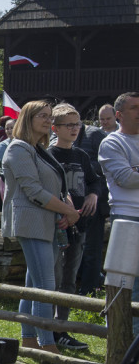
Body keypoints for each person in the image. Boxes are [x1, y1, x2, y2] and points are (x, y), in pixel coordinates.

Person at [2, 101, 79, 355]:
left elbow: (55, 187)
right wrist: (68, 210)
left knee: (34, 284)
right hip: (32, 223)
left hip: (47, 223)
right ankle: (47, 345)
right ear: (27, 118)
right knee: (46, 285)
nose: (47, 121)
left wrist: (65, 208)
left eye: (49, 116)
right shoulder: (18, 149)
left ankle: (29, 338)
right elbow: (33, 191)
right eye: (41, 116)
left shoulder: (39, 149)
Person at [47, 103, 98, 351]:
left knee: (69, 280)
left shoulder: (81, 156)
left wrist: (93, 196)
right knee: (54, 278)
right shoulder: (49, 154)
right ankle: (48, 332)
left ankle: (61, 327)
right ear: (55, 128)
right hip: (57, 226)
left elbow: (94, 181)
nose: (74, 129)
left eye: (77, 124)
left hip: (80, 226)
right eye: (69, 124)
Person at [98, 91, 139, 335]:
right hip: (127, 218)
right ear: (120, 115)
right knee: (125, 284)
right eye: (135, 107)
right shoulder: (112, 142)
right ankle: (121, 340)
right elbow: (125, 178)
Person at [76, 111, 111, 296]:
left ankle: (89, 290)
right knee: (76, 248)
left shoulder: (95, 134)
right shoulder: (57, 138)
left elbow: (105, 165)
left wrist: (82, 167)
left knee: (91, 248)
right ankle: (86, 284)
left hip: (94, 201)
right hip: (73, 202)